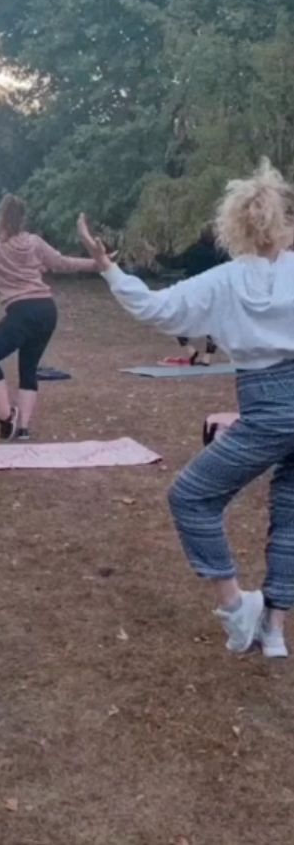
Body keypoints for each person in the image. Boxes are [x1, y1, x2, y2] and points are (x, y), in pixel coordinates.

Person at [78, 159, 294, 658]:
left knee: (191, 498)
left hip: (265, 403)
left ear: (232, 226)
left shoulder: (224, 280)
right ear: (281, 222)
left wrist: (108, 267)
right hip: (274, 400)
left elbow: (155, 309)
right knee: (290, 516)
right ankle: (275, 632)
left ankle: (237, 607)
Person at [0, 193, 99, 441]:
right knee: (28, 368)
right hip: (46, 310)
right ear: (23, 218)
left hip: (23, 310)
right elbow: (62, 262)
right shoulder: (35, 242)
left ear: (1, 218)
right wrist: (96, 264)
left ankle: (6, 415)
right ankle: (23, 428)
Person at [155, 224, 229, 366]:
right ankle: (207, 357)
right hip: (215, 293)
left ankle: (190, 350)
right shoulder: (221, 253)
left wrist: (157, 255)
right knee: (213, 325)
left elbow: (174, 263)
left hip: (193, 292)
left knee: (176, 319)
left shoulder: (194, 250)